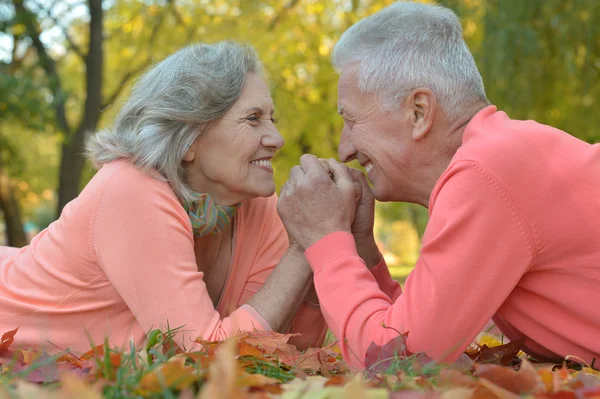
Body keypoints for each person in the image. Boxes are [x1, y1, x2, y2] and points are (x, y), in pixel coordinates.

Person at [277, 1, 600, 370]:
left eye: (351, 120)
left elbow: (394, 362)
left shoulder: (487, 172)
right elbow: (415, 331)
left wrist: (324, 237)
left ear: (418, 111)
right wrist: (362, 249)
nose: (344, 148)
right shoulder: (499, 157)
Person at [0, 42, 325, 354]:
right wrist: (303, 247)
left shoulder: (254, 201)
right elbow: (206, 352)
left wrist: (328, 237)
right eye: (253, 118)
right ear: (188, 139)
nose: (277, 139)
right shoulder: (130, 190)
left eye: (272, 119)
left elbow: (287, 341)